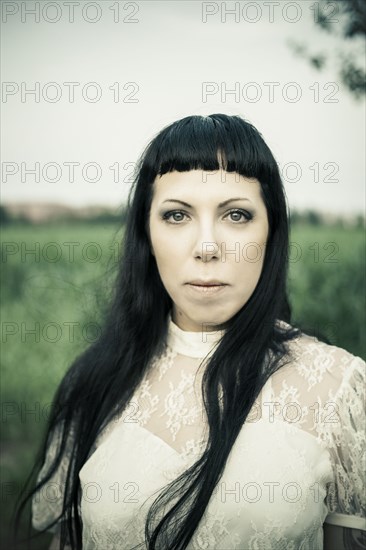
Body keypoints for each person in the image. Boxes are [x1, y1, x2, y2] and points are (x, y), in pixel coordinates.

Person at [15, 114, 365, 549]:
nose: (206, 247)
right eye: (177, 215)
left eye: (236, 214)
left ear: (271, 231)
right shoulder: (95, 382)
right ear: (147, 231)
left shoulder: (338, 387)